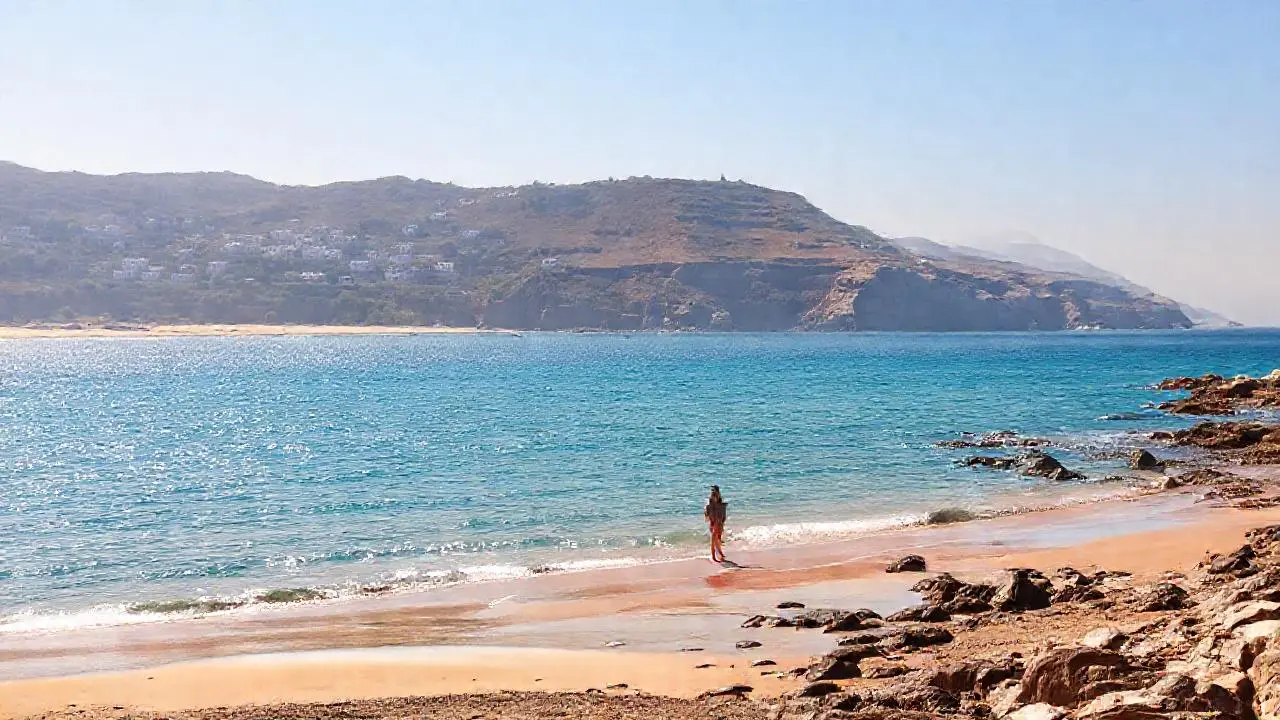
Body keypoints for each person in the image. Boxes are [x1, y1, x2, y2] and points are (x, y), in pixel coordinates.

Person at [704, 485, 728, 563]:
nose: (714, 497)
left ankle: (719, 552)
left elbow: (723, 514)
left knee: (718, 538)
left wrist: (722, 520)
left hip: (719, 522)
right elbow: (707, 516)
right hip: (714, 523)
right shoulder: (709, 505)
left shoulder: (721, 504)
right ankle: (714, 555)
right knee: (714, 538)